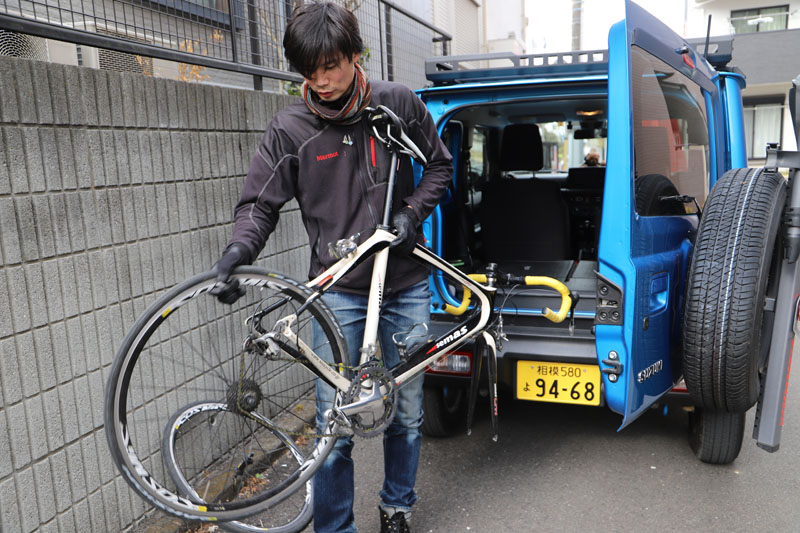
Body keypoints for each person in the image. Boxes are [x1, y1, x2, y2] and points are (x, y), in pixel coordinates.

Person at [210, 3, 452, 532]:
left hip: (405, 283)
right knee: (333, 426)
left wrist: (411, 215)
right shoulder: (290, 130)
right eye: (309, 71)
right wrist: (237, 254)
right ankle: (335, 527)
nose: (321, 82)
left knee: (405, 413)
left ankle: (396, 507)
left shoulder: (397, 104)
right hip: (337, 294)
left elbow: (439, 164)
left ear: (354, 54)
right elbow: (258, 205)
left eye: (331, 67)